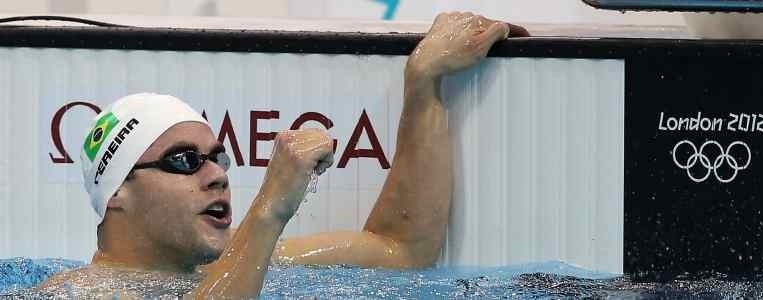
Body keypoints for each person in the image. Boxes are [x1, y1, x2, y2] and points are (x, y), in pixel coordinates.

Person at [34, 12, 529, 298]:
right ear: (117, 190)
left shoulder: (258, 266)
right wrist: (271, 206)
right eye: (185, 160)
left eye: (218, 158)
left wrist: (424, 83)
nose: (215, 176)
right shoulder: (74, 293)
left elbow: (402, 249)